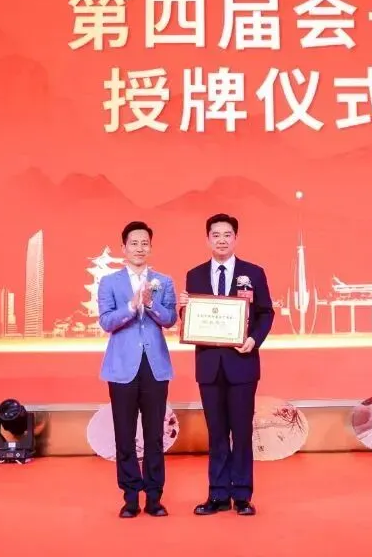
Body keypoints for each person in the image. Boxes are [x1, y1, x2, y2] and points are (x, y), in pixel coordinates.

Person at [179, 213, 275, 516]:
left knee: (242, 432)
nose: (221, 240)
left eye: (227, 235)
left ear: (235, 238)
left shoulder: (253, 273)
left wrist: (254, 340)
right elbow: (193, 320)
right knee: (217, 432)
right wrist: (184, 311)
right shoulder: (194, 275)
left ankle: (242, 495)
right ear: (208, 239)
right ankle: (218, 494)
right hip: (209, 366)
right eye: (216, 235)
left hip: (242, 363)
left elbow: (266, 313)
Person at [97, 221, 178, 518]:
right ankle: (130, 497)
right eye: (134, 243)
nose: (139, 248)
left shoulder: (164, 281)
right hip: (122, 368)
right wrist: (132, 306)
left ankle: (154, 497)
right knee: (124, 434)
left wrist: (151, 303)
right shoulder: (109, 282)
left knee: (155, 435)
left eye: (145, 243)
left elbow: (170, 319)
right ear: (124, 248)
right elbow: (106, 322)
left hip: (155, 367)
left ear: (151, 247)